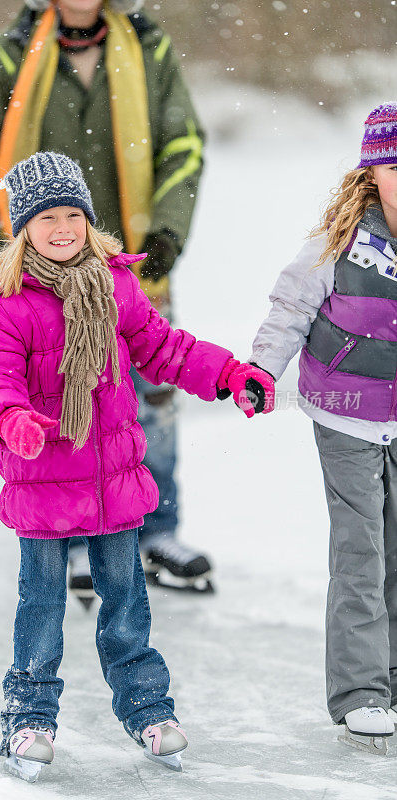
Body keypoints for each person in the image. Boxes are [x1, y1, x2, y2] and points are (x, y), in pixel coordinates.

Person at [0, 151, 274, 780]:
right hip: (45, 486)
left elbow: (165, 348)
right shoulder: (10, 302)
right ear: (23, 227)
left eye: (73, 214)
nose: (62, 228)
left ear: (88, 218)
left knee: (128, 606)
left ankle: (149, 711)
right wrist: (11, 421)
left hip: (113, 485)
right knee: (42, 609)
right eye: (47, 217)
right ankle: (27, 718)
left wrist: (227, 374)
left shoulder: (114, 284)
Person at [0, 0, 213, 601]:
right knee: (57, 392)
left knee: (154, 393)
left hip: (132, 262)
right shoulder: (11, 52)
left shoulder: (148, 47)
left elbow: (184, 144)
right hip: (39, 271)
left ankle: (156, 531)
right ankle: (70, 538)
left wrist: (165, 232)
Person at [250, 103, 397, 755]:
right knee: (362, 550)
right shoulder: (336, 245)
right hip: (345, 413)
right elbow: (288, 312)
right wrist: (260, 370)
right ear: (372, 175)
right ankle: (363, 691)